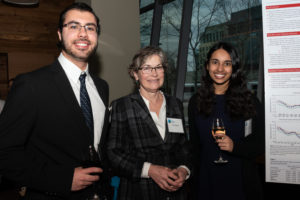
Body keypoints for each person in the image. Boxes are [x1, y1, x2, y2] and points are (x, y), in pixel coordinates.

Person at [0, 2, 112, 200]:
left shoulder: (102, 87)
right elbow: (5, 153)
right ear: (59, 34)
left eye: (90, 28)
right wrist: (62, 179)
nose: (83, 34)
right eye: (74, 26)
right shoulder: (31, 85)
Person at [107, 46, 192, 200]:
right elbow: (113, 153)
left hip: (175, 192)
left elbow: (183, 147)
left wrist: (184, 169)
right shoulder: (122, 106)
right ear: (135, 74)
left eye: (158, 67)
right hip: (139, 191)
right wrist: (150, 170)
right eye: (147, 68)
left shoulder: (175, 104)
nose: (154, 73)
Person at [188, 42, 264, 200]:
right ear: (207, 66)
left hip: (239, 183)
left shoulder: (249, 101)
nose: (220, 69)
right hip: (206, 181)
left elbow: (260, 144)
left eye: (227, 63)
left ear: (234, 68)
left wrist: (235, 147)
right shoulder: (195, 102)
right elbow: (194, 148)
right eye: (215, 62)